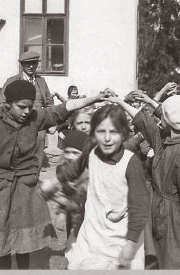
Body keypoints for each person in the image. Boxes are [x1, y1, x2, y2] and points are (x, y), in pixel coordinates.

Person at [0, 80, 110, 270]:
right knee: (0, 236)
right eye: (22, 107)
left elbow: (62, 109)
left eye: (30, 107)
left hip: (26, 186)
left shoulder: (34, 118)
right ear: (8, 104)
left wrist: (94, 98)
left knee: (25, 238)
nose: (27, 112)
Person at [110, 94, 180, 269]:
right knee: (159, 256)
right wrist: (120, 101)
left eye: (161, 114)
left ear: (168, 120)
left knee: (175, 259)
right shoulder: (164, 138)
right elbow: (144, 121)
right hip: (159, 207)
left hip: (175, 215)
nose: (158, 117)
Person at [50, 104, 148, 270]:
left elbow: (139, 208)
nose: (107, 138)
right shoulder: (92, 153)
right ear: (93, 133)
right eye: (101, 132)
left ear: (124, 133)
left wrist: (131, 245)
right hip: (93, 231)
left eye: (114, 132)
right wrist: (55, 181)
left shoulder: (131, 163)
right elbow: (74, 168)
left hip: (121, 238)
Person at [0, 50, 54, 173]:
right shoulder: (12, 81)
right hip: (18, 124)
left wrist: (49, 120)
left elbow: (49, 101)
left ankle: (34, 176)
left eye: (34, 63)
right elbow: (1, 104)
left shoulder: (41, 81)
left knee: (38, 153)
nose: (31, 66)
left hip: (38, 124)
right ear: (22, 65)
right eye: (28, 64)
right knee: (18, 155)